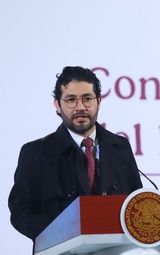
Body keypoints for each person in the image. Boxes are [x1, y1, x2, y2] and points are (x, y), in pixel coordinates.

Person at [8, 66, 143, 241]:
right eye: (71, 100)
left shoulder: (120, 146)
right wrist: (60, 234)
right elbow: (21, 212)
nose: (81, 107)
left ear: (99, 101)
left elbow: (137, 203)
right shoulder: (35, 153)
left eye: (87, 99)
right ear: (57, 105)